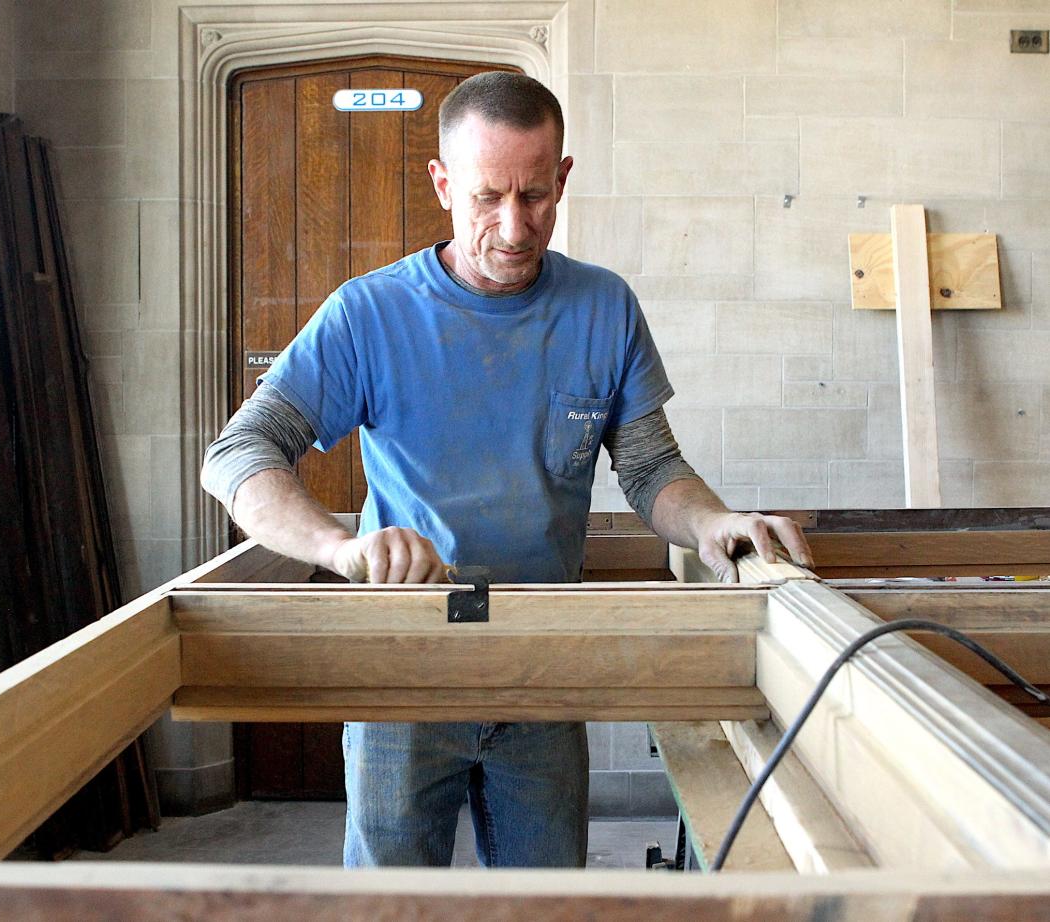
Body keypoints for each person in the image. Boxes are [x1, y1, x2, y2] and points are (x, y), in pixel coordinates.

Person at [201, 71, 813, 868]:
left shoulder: (603, 308)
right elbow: (239, 453)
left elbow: (651, 465)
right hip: (406, 676)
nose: (515, 227)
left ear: (562, 177)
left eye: (534, 195)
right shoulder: (370, 313)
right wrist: (340, 549)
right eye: (488, 197)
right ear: (443, 182)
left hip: (539, 668)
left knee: (546, 898)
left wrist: (714, 523)